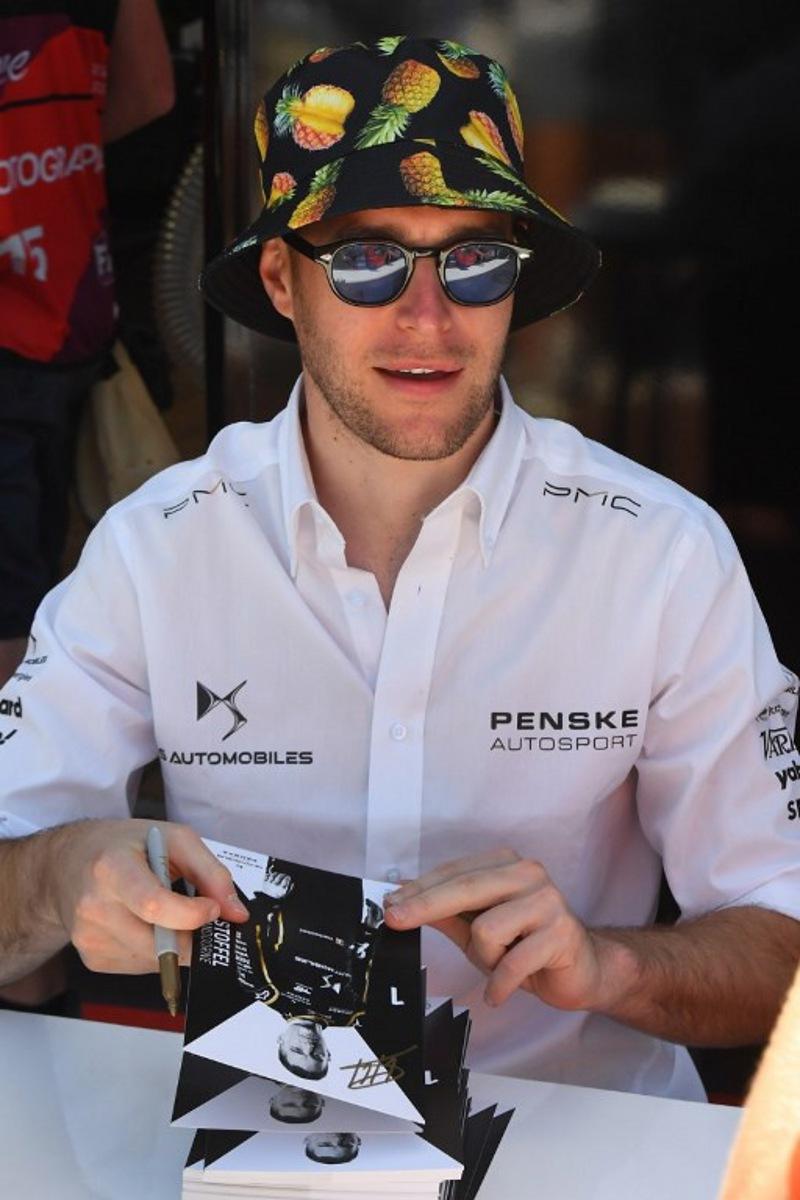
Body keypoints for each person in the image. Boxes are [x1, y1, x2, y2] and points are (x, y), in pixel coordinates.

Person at [0, 36, 798, 1101]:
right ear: (281, 280)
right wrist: (62, 876)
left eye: (473, 261)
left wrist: (608, 965)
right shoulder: (156, 547)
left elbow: (780, 936)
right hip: (258, 1143)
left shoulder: (660, 552)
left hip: (582, 1136)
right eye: (368, 261)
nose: (428, 318)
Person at [0, 0, 174, 689]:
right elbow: (151, 90)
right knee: (34, 570)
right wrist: (54, 147)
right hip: (70, 289)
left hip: (23, 307)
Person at [233, 860, 384, 1079]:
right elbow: (363, 969)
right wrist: (369, 931)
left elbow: (248, 939)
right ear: (328, 1054)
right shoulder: (350, 1015)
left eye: (296, 1050)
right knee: (348, 851)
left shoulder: (266, 992)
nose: (308, 1046)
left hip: (295, 892)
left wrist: (266, 899)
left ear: (280, 1041)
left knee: (302, 842)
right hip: (346, 906)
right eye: (316, 1055)